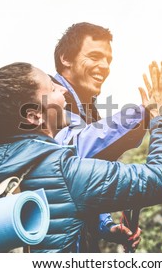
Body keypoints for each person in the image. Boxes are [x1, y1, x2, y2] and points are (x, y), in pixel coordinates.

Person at [0, 61, 162, 253]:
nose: (64, 89)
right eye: (53, 88)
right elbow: (160, 178)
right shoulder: (63, 170)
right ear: (34, 116)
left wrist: (103, 226)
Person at [52, 22, 147, 251]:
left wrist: (107, 227)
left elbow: (90, 177)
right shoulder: (47, 98)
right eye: (95, 56)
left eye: (108, 60)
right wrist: (145, 113)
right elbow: (77, 150)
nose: (104, 66)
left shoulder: (89, 111)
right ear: (65, 57)